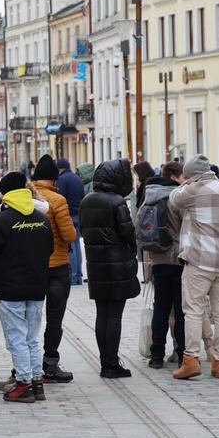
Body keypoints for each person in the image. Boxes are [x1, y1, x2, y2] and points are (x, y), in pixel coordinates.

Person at [167, 154, 219, 379]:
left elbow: (173, 199)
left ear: (191, 174)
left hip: (199, 259)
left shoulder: (192, 190)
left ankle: (191, 360)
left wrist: (188, 183)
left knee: (193, 309)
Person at [0, 171, 54, 403]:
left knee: (16, 338)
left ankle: (23, 384)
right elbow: (50, 249)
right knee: (32, 337)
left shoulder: (3, 220)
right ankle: (36, 380)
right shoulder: (42, 220)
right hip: (37, 286)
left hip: (10, 287)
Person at [80, 159, 140, 378]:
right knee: (115, 315)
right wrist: (132, 248)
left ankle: (104, 360)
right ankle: (112, 363)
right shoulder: (117, 201)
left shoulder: (87, 200)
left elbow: (84, 230)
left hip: (95, 262)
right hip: (116, 263)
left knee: (102, 313)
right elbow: (127, 231)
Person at [31, 154, 77, 383]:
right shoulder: (57, 201)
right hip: (57, 266)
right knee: (54, 317)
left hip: (32, 267)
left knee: (29, 317)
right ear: (53, 179)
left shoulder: (26, 198)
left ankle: (27, 362)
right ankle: (50, 362)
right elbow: (69, 235)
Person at [139, 161, 184, 369]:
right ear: (175, 176)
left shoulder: (149, 198)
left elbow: (138, 226)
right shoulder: (179, 197)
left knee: (161, 307)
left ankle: (156, 354)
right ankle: (183, 353)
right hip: (180, 258)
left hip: (157, 259)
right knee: (181, 308)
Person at [56, 158, 85, 286]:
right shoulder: (76, 177)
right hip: (78, 214)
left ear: (59, 168)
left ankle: (73, 277)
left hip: (69, 215)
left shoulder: (62, 179)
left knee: (71, 247)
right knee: (77, 245)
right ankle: (78, 275)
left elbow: (60, 197)